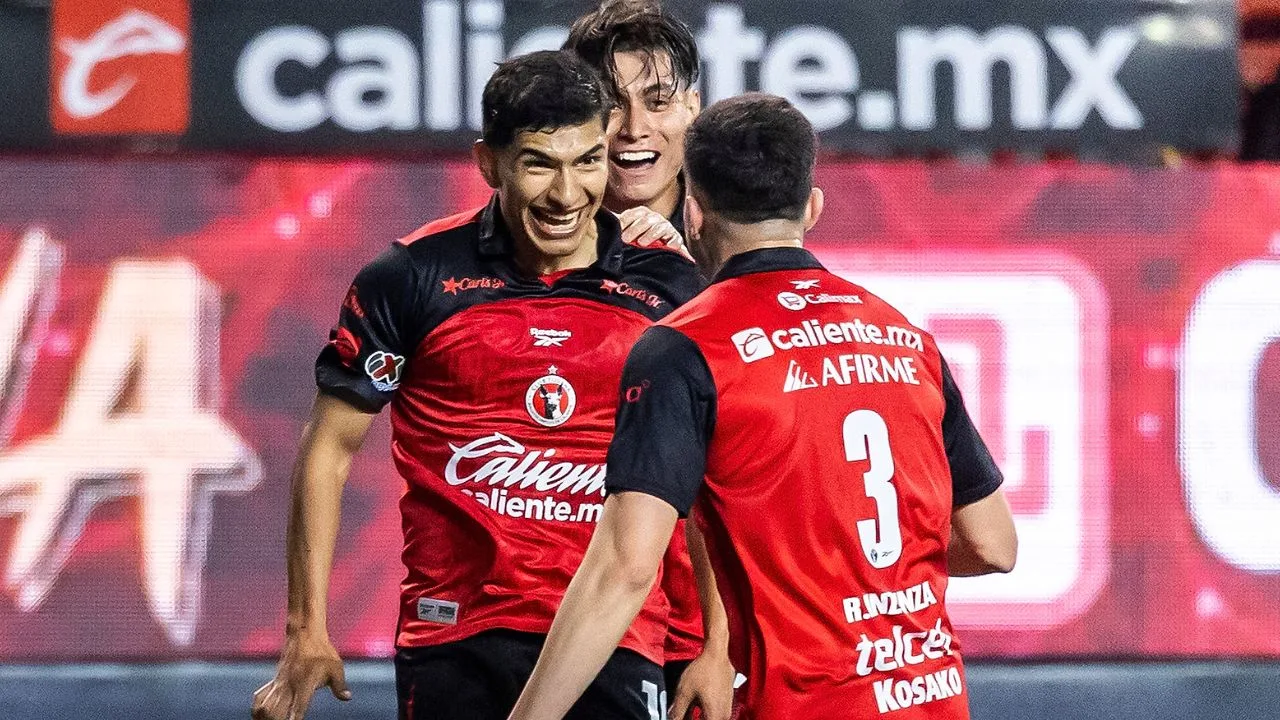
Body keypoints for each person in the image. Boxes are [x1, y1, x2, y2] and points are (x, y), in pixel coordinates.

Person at [506, 94, 1019, 720]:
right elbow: (994, 546)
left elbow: (623, 569)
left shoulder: (685, 350)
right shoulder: (908, 340)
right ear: (812, 207)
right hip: (932, 701)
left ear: (694, 212)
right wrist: (858, 587)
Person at [250, 50, 704, 720]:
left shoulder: (671, 287)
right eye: (539, 163)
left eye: (587, 161)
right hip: (454, 637)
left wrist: (715, 645)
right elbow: (328, 453)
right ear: (489, 163)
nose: (567, 193)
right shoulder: (410, 278)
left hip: (617, 636)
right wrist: (305, 628)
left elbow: (710, 483)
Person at [564, 0, 708, 697]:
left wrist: (695, 292)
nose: (633, 131)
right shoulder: (529, 230)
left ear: (694, 108)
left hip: (695, 622)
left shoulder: (740, 233)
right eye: (609, 105)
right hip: (564, 606)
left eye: (657, 101)